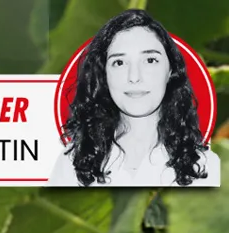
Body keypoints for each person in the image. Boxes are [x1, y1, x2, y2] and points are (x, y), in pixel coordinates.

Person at [50, 8, 220, 187]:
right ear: (103, 75)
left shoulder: (208, 165)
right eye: (119, 62)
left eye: (150, 60)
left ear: (171, 71)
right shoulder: (69, 165)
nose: (134, 77)